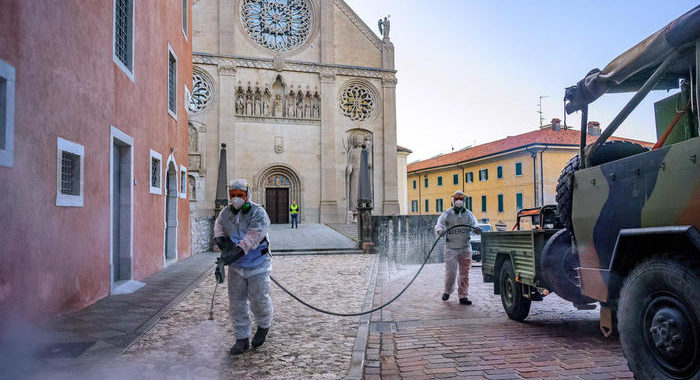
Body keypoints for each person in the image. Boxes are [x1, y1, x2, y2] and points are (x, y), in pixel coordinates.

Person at [213, 178, 273, 355]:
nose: (236, 198)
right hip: (237, 266)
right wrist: (223, 250)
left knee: (259, 299)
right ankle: (241, 338)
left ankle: (263, 325)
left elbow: (249, 241)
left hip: (258, 264)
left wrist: (226, 259)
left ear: (247, 196)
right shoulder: (225, 214)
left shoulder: (258, 213)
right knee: (236, 302)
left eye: (240, 195)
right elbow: (219, 230)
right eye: (233, 195)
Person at [434, 190, 482, 305]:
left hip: (465, 248)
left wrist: (477, 229)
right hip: (451, 248)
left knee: (464, 273)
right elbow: (439, 225)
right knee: (451, 273)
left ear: (464, 201)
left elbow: (475, 225)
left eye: (461, 199)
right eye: (457, 199)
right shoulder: (447, 213)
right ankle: (447, 291)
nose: (459, 201)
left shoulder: (468, 214)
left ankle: (463, 296)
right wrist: (440, 231)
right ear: (453, 200)